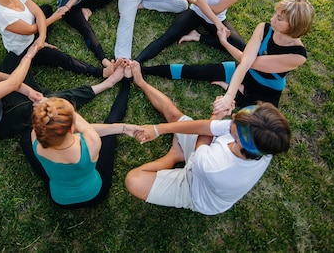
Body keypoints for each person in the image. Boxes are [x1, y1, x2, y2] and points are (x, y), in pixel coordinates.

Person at [124, 61, 291, 215]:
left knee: (133, 180)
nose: (233, 116)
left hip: (194, 190)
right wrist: (158, 129)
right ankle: (141, 82)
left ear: (239, 141)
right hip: (204, 156)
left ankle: (175, 155)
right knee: (175, 115)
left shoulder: (218, 167)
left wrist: (216, 115)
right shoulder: (261, 139)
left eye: (235, 121)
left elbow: (203, 141)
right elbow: (206, 127)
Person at [0, 34, 122, 143]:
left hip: (0, 93)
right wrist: (29, 57)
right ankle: (105, 84)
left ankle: (43, 78)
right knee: (49, 102)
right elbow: (10, 84)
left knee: (15, 56)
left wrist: (26, 89)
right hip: (0, 121)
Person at [141, 0, 315, 109]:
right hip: (246, 72)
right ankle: (143, 70)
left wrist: (229, 93)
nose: (272, 18)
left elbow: (249, 61)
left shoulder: (298, 56)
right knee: (194, 71)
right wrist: (224, 43)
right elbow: (245, 63)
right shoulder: (264, 28)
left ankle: (236, 91)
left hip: (268, 88)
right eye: (275, 14)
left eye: (279, 18)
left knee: (258, 119)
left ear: (293, 26)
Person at [20, 60, 141, 208]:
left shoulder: (35, 138)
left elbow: (74, 127)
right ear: (72, 128)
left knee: (24, 140)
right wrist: (123, 127)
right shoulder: (91, 143)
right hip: (94, 194)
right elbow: (91, 128)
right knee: (111, 123)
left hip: (60, 200)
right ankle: (127, 83)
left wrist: (48, 109)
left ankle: (116, 84)